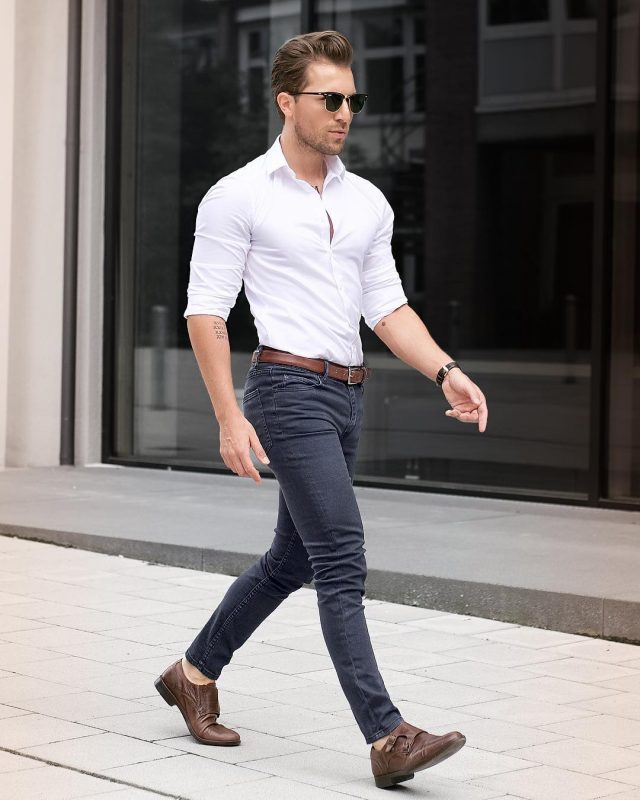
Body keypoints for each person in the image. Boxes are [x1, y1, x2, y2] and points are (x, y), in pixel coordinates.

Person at [154, 29, 488, 789]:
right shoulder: (239, 194)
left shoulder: (365, 200)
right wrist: (227, 418)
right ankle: (387, 735)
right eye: (329, 99)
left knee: (293, 557)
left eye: (352, 100)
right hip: (285, 389)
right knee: (340, 557)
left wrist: (446, 371)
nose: (345, 113)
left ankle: (192, 672)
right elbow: (205, 313)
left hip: (347, 394)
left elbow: (387, 305)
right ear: (287, 102)